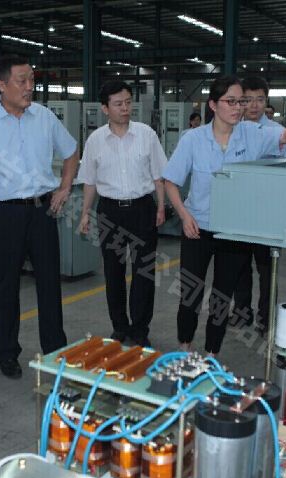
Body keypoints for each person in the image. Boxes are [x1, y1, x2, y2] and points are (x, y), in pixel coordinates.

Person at [162, 75, 286, 356]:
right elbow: (171, 182)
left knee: (222, 296)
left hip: (233, 231)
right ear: (213, 105)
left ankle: (212, 354)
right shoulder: (193, 139)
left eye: (241, 102)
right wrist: (185, 216)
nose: (238, 108)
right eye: (231, 102)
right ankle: (184, 347)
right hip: (197, 228)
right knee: (191, 293)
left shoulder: (251, 133)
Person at [0, 56, 79, 379]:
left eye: (32, 80)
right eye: (21, 81)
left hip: (42, 211)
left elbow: (71, 151)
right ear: (1, 84)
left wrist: (65, 187)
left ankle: (55, 349)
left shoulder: (44, 117)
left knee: (49, 284)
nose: (29, 87)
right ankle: (6, 352)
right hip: (4, 214)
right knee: (5, 286)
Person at [77, 81, 167, 347]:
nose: (125, 108)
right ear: (105, 108)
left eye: (128, 102)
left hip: (142, 209)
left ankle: (140, 329)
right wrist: (85, 213)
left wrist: (161, 206)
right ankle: (119, 326)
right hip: (110, 212)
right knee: (113, 272)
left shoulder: (146, 135)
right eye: (118, 104)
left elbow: (159, 175)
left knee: (144, 272)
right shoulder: (95, 141)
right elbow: (89, 182)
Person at [229, 76, 286, 333]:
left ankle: (266, 318)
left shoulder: (278, 133)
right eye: (247, 100)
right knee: (239, 267)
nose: (253, 106)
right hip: (240, 211)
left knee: (267, 269)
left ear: (266, 101)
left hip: (267, 212)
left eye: (259, 99)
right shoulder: (232, 130)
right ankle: (242, 312)